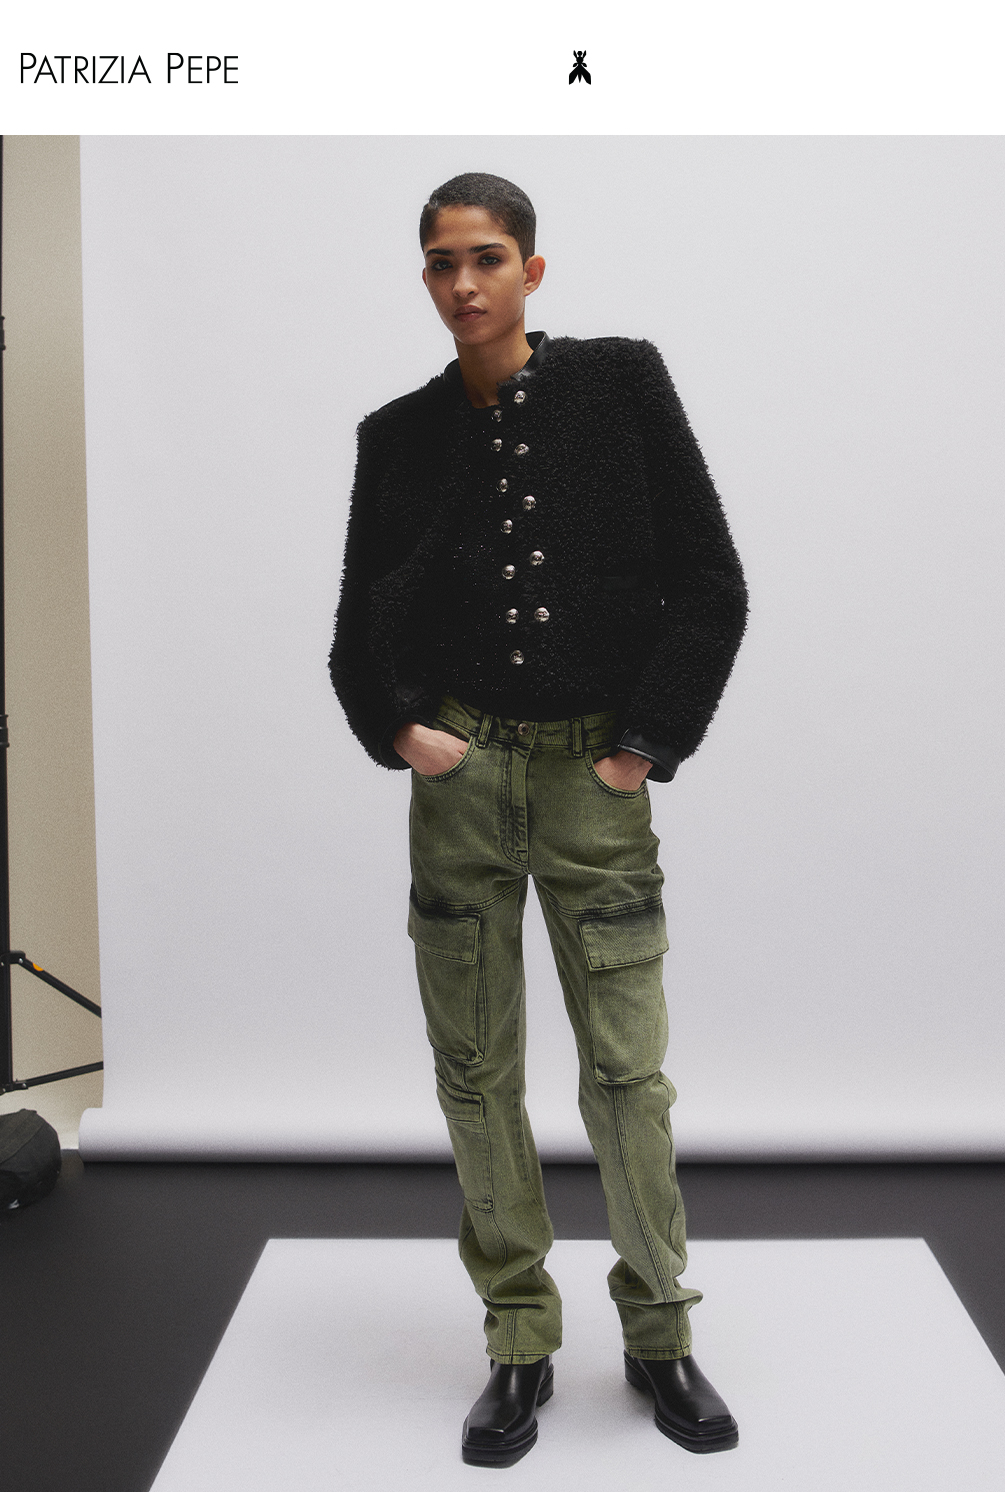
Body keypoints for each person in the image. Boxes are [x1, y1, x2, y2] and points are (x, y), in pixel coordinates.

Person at [329, 172, 748, 1466]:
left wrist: (642, 748)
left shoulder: (620, 382)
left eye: (488, 258)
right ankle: (518, 1340)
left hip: (592, 781)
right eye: (442, 262)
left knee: (626, 1072)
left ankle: (660, 1332)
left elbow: (712, 583)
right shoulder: (398, 436)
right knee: (475, 1072)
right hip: (461, 789)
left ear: (532, 270)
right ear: (425, 277)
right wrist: (403, 731)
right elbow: (358, 628)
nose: (464, 284)